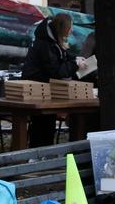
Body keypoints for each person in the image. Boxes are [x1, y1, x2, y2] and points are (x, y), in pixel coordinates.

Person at [22, 13, 77, 148]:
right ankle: (36, 154)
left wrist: (75, 60)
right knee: (41, 124)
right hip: (37, 91)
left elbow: (64, 60)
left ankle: (44, 152)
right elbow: (56, 71)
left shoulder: (53, 43)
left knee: (47, 123)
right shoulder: (46, 45)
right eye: (70, 27)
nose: (71, 30)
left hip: (45, 91)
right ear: (63, 28)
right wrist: (75, 64)